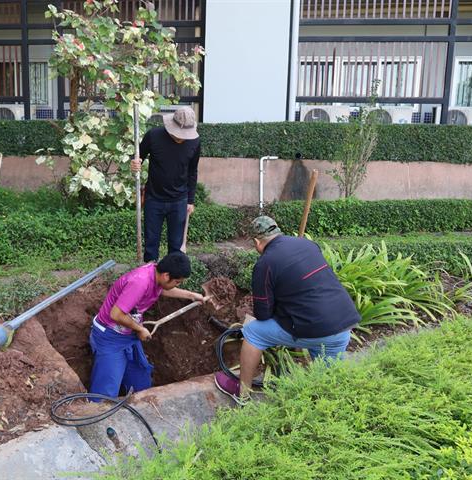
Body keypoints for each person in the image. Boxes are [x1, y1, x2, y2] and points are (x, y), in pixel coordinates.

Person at [215, 216, 360, 405]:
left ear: (257, 242)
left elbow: (263, 314)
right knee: (328, 388)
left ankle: (242, 393)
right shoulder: (307, 244)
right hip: (343, 325)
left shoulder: (265, 264)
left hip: (314, 328)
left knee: (253, 332)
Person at [89, 251, 205, 399]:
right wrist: (140, 329)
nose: (177, 285)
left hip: (128, 336)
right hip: (109, 337)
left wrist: (192, 295)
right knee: (104, 393)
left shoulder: (156, 275)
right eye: (177, 282)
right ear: (166, 276)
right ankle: (97, 416)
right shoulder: (140, 282)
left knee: (141, 385)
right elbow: (116, 315)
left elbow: (163, 289)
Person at [131, 106, 201, 262]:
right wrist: (135, 163)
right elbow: (138, 156)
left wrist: (190, 200)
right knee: (151, 245)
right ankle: (149, 277)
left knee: (176, 247)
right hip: (154, 199)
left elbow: (192, 171)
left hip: (179, 201)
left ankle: (171, 280)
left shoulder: (195, 141)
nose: (181, 138)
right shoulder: (154, 136)